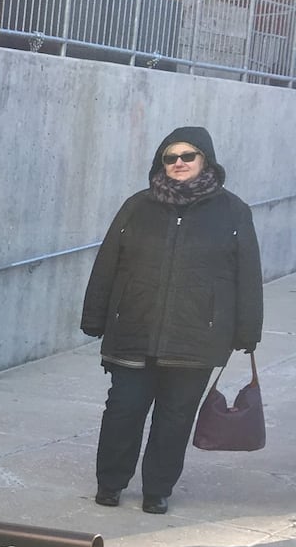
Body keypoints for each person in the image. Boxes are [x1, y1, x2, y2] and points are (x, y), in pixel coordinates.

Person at [80, 127, 263, 515]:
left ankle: (157, 490)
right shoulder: (138, 206)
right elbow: (108, 262)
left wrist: (248, 329)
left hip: (196, 338)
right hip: (133, 329)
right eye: (170, 157)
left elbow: (247, 275)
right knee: (123, 409)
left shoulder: (233, 211)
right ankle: (110, 483)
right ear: (160, 163)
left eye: (187, 156)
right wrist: (95, 315)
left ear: (205, 161)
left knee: (175, 417)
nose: (178, 163)